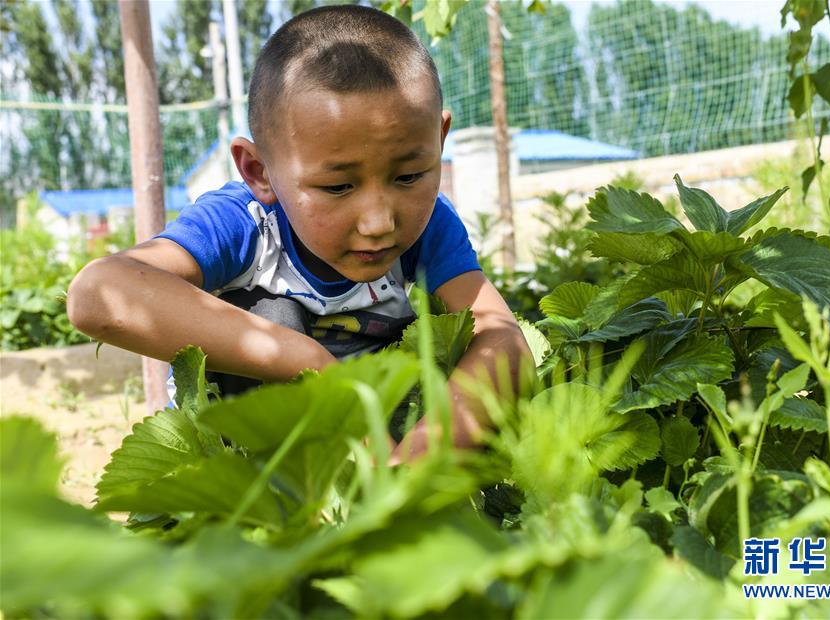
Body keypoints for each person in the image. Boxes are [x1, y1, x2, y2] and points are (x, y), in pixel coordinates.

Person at [67, 4, 533, 463]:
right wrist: (304, 360)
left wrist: (424, 453)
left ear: (439, 138)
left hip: (379, 445)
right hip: (247, 463)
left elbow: (503, 339)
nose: (379, 222)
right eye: (337, 186)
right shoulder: (244, 223)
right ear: (258, 170)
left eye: (409, 176)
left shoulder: (430, 221)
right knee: (274, 316)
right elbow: (97, 293)